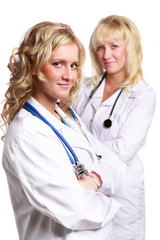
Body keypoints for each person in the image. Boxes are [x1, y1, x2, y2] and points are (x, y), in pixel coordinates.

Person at [1, 21, 126, 240]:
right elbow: (78, 210)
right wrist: (108, 192)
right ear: (34, 66)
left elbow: (117, 166)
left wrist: (93, 179)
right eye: (58, 64)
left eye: (74, 65)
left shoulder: (68, 116)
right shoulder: (27, 134)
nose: (69, 76)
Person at [73, 15, 156, 240]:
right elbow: (65, 126)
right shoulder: (84, 87)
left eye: (114, 46)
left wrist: (81, 147)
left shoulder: (142, 96)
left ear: (131, 48)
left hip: (122, 191)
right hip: (87, 187)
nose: (105, 55)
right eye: (100, 47)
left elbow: (123, 151)